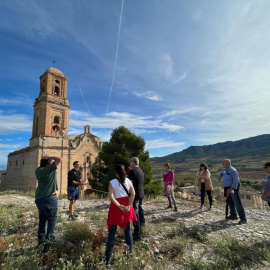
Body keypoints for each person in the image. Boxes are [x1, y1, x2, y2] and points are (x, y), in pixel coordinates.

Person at [105, 164, 137, 265]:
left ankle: (108, 257)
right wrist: (128, 205)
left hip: (116, 207)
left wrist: (119, 206)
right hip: (127, 205)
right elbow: (133, 194)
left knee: (112, 231)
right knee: (127, 230)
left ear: (116, 173)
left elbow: (111, 196)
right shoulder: (128, 181)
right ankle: (130, 253)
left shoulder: (112, 182)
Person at [35, 155, 62, 248]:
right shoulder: (49, 169)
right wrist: (49, 156)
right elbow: (59, 159)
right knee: (52, 220)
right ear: (49, 163)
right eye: (50, 161)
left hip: (39, 198)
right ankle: (49, 243)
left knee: (42, 219)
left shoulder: (38, 170)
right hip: (49, 198)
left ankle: (41, 241)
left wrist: (45, 159)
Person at [218, 159, 247, 225]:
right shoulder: (225, 170)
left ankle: (243, 219)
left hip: (233, 188)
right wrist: (219, 176)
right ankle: (233, 215)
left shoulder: (233, 170)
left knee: (237, 202)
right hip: (226, 187)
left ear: (228, 163)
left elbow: (236, 181)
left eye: (224, 163)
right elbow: (220, 174)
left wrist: (231, 188)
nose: (222, 164)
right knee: (229, 201)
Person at [128, 157, 145, 241]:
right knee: (141, 209)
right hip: (141, 193)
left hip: (135, 194)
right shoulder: (141, 170)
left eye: (130, 162)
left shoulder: (132, 171)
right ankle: (143, 224)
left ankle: (137, 233)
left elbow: (129, 184)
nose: (129, 163)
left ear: (133, 162)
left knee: (135, 213)